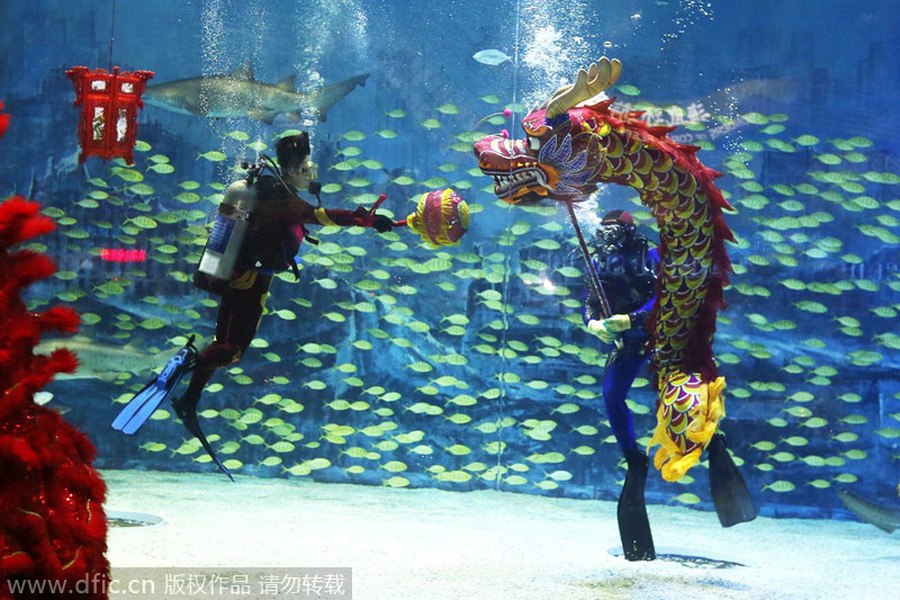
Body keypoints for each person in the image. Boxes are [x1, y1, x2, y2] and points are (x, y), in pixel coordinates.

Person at [112, 133, 394, 479]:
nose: (312, 172)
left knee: (223, 344)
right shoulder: (278, 195)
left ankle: (189, 401)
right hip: (248, 280)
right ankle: (186, 363)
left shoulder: (271, 189)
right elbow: (318, 215)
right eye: (307, 166)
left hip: (248, 277)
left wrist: (358, 215)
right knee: (231, 351)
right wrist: (365, 219)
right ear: (293, 167)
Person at [582, 209, 660, 561]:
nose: (608, 238)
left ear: (629, 231)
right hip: (626, 345)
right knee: (612, 396)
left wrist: (634, 318)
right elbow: (589, 302)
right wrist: (593, 324)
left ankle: (708, 440)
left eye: (614, 231)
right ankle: (633, 456)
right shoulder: (597, 260)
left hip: (661, 339)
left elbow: (665, 296)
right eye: (604, 232)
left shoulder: (651, 255)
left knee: (677, 396)